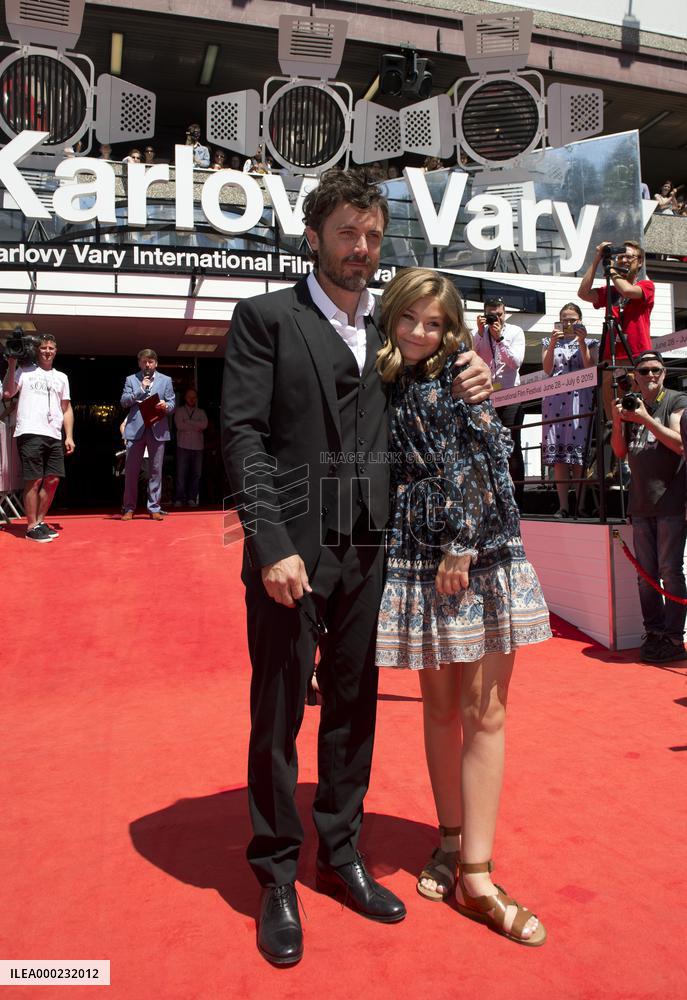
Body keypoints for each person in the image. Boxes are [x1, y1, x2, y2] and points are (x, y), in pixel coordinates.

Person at [221, 168, 492, 966]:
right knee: (277, 714)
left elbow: (441, 373)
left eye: (372, 235)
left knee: (354, 707)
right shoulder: (265, 317)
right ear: (314, 236)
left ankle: (340, 857)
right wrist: (270, 545)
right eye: (346, 232)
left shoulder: (392, 332)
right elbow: (242, 437)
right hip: (291, 551)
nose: (360, 248)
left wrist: (471, 366)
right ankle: (274, 873)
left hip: (369, 552)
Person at [375, 268, 550, 946]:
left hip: (470, 548)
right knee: (440, 710)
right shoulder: (383, 375)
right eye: (410, 319)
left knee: (484, 712)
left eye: (437, 323)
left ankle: (476, 875)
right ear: (390, 318)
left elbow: (486, 458)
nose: (422, 332)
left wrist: (460, 542)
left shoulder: (460, 376)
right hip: (415, 551)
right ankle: (448, 842)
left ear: (454, 331)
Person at [611, 350, 687, 664]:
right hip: (640, 503)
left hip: (671, 501)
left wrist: (643, 418)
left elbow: (680, 443)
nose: (650, 375)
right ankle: (653, 632)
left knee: (670, 572)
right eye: (644, 371)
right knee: (646, 576)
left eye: (656, 370)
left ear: (664, 373)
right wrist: (618, 421)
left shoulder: (676, 400)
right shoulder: (631, 404)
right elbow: (619, 452)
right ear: (636, 376)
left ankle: (673, 637)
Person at [1, 335, 75, 543]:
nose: (47, 351)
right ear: (37, 350)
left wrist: (69, 435)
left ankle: (40, 522)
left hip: (53, 434)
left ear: (56, 351)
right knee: (34, 480)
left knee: (52, 480)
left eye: (51, 348)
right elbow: (7, 392)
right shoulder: (24, 371)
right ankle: (31, 526)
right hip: (30, 431)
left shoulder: (62, 377)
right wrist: (12, 362)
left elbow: (66, 408)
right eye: (43, 348)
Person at [578, 240, 654, 423]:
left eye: (630, 256)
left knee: (637, 415)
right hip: (610, 358)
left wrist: (610, 269)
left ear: (641, 261)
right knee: (613, 419)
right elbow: (583, 293)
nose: (625, 260)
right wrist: (598, 258)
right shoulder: (610, 291)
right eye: (621, 257)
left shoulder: (646, 286)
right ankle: (616, 450)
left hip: (636, 357)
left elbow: (627, 291)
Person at [541, 304, 599, 517]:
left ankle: (580, 505)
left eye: (572, 319)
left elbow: (590, 367)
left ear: (580, 320)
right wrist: (554, 341)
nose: (568, 323)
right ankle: (563, 505)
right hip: (554, 401)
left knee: (578, 456)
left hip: (579, 399)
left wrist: (582, 341)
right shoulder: (549, 341)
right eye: (564, 319)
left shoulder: (590, 342)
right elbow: (547, 369)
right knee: (559, 457)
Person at [472, 296, 526, 506]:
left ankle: (518, 499)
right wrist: (479, 333)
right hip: (486, 397)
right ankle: (491, 498)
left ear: (505, 314)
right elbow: (471, 354)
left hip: (512, 396)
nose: (496, 318)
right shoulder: (479, 333)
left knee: (512, 446)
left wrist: (499, 338)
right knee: (486, 446)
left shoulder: (515, 332)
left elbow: (515, 363)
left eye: (500, 314)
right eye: (491, 315)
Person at [120, 349, 175, 520]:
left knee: (156, 470)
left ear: (156, 363)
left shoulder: (166, 380)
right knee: (131, 471)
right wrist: (140, 389)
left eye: (151, 361)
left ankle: (154, 508)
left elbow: (172, 403)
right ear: (139, 363)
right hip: (136, 430)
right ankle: (129, 508)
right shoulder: (131, 379)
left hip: (157, 429)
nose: (148, 365)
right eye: (144, 361)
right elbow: (124, 401)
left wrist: (166, 406)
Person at [174, 387, 208, 506]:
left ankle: (192, 498)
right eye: (190, 397)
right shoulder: (179, 411)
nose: (192, 399)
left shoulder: (201, 412)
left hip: (198, 447)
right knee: (181, 474)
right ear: (185, 398)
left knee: (196, 475)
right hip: (183, 446)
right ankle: (179, 498)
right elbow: (179, 426)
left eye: (194, 397)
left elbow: (204, 425)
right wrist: (195, 425)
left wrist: (188, 422)